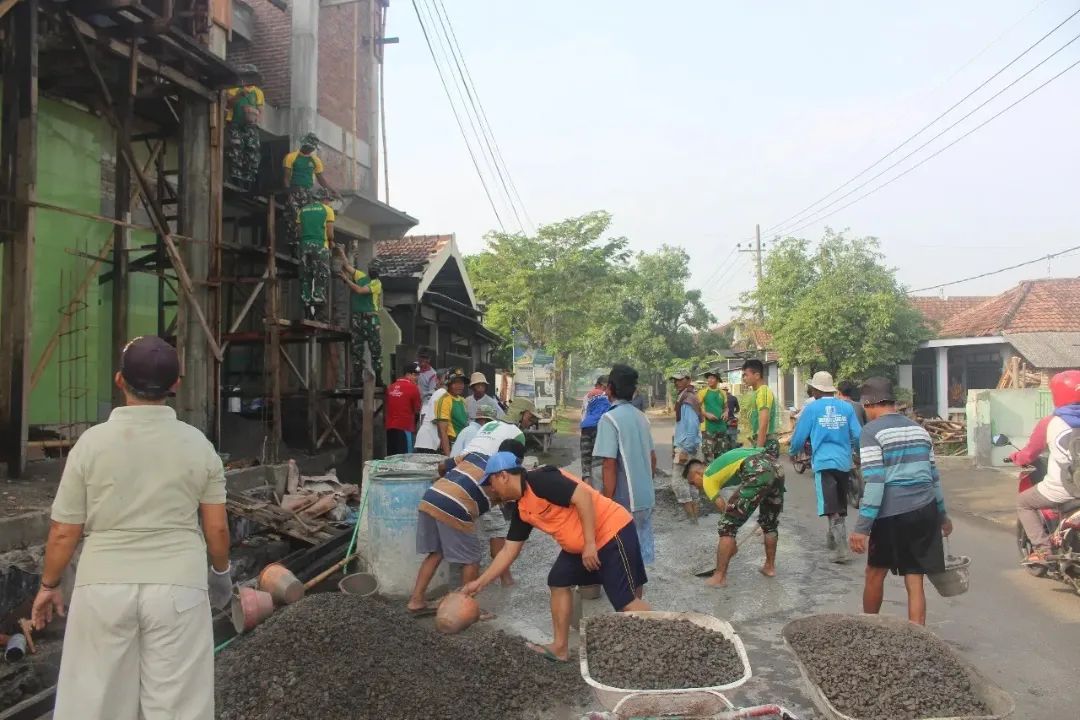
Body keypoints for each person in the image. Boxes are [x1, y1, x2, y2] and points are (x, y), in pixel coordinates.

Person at [31, 336, 232, 719]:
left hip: (102, 589)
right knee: (177, 709)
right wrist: (221, 574)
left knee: (95, 705)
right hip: (178, 589)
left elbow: (62, 531)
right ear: (175, 385)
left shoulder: (91, 445)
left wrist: (49, 585)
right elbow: (217, 530)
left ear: (119, 380)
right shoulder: (198, 445)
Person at [463, 452, 651, 662]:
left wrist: (589, 544)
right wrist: (480, 583)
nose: (491, 490)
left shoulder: (540, 480)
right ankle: (560, 648)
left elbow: (583, 497)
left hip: (611, 532)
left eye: (491, 483)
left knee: (625, 601)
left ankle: (666, 641)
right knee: (558, 579)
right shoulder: (522, 508)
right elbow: (509, 551)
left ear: (503, 476)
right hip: (582, 545)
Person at [849, 377, 951, 626]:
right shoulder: (919, 430)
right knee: (915, 579)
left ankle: (869, 629)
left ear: (869, 403)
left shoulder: (871, 432)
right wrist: (942, 515)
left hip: (892, 515)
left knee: (875, 573)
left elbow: (875, 483)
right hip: (925, 509)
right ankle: (918, 639)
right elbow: (934, 478)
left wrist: (862, 528)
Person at [407, 424, 528, 616]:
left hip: (431, 496)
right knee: (472, 560)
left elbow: (442, 466)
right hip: (456, 506)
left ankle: (416, 600)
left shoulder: (475, 456)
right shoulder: (507, 476)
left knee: (436, 553)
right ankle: (464, 609)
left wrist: (451, 482)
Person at [789, 371, 861, 562]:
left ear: (816, 390)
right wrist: (858, 452)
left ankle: (841, 547)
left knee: (830, 505)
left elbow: (799, 435)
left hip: (823, 462)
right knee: (839, 502)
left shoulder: (812, 409)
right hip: (844, 463)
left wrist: (793, 451)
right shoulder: (846, 408)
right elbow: (857, 434)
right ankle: (833, 536)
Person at [593, 364, 657, 565]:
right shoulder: (642, 417)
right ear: (633, 391)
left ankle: (626, 596)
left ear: (609, 389)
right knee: (639, 558)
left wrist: (606, 501)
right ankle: (637, 595)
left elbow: (609, 464)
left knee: (622, 558)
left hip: (623, 499)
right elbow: (652, 458)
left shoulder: (609, 419)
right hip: (646, 497)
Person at [1016, 370, 1080, 563]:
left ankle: (1043, 549)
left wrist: (1016, 456)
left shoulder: (1051, 422)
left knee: (1023, 502)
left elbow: (1029, 454)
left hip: (1064, 488)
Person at [337, 248, 383, 384]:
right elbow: (347, 266)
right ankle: (357, 378)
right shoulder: (361, 276)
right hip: (358, 317)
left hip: (370, 318)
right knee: (356, 348)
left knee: (375, 348)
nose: (374, 270)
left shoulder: (376, 283)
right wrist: (341, 252)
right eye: (373, 267)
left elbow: (359, 290)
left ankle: (379, 378)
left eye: (376, 268)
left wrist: (346, 280)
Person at [283, 133, 337, 245]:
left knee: (306, 218)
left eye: (313, 148)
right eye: (311, 147)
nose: (312, 149)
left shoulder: (315, 161)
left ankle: (304, 242)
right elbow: (286, 177)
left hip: (307, 193)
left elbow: (321, 179)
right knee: (293, 218)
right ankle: (293, 244)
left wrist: (333, 191)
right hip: (294, 191)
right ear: (305, 145)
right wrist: (289, 193)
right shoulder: (291, 157)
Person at [670, 369, 703, 522]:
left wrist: (685, 450)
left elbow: (692, 426)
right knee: (693, 483)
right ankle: (694, 520)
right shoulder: (688, 397)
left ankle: (691, 519)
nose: (676, 382)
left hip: (687, 447)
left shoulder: (688, 399)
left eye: (680, 379)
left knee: (678, 483)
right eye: (675, 380)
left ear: (688, 380)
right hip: (692, 446)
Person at [296, 189, 335, 319]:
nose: (329, 203)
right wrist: (331, 242)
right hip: (320, 246)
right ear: (324, 199)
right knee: (321, 274)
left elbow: (299, 231)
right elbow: (330, 233)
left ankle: (306, 301)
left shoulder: (302, 210)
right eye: (329, 200)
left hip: (304, 246)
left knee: (306, 275)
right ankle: (318, 301)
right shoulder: (327, 210)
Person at [225, 66, 263, 189]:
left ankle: (249, 179)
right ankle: (236, 177)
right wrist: (240, 95)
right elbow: (228, 103)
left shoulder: (258, 92)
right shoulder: (233, 88)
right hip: (235, 123)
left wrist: (254, 114)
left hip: (250, 126)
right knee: (236, 149)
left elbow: (260, 109)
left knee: (252, 149)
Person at [579, 375, 611, 488]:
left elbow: (584, 414)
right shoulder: (607, 396)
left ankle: (586, 487)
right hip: (600, 427)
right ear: (602, 386)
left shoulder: (587, 395)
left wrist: (583, 430)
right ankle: (598, 491)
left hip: (586, 428)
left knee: (586, 459)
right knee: (597, 460)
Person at [742, 359, 779, 457]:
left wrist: (758, 450)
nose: (744, 378)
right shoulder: (756, 392)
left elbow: (763, 423)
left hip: (766, 443)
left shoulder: (763, 392)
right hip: (759, 442)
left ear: (757, 375)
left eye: (746, 375)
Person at [385, 362, 422, 456]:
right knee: (405, 459)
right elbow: (417, 409)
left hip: (390, 428)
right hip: (404, 428)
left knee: (391, 457)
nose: (417, 378)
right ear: (408, 374)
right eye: (415, 375)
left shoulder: (391, 387)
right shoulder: (413, 388)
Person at [414, 368, 452, 454]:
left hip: (426, 441)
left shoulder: (440, 393)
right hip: (429, 442)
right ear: (437, 380)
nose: (448, 381)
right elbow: (437, 420)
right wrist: (443, 439)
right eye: (446, 378)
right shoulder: (442, 393)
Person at [698, 371, 732, 463]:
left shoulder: (722, 393)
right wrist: (706, 414)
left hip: (721, 427)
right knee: (708, 455)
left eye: (712, 378)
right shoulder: (702, 392)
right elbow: (696, 407)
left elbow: (726, 407)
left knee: (720, 455)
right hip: (708, 428)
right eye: (708, 378)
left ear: (717, 380)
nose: (709, 380)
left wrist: (726, 412)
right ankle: (708, 476)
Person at [434, 369, 469, 455]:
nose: (460, 386)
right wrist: (448, 457)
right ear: (448, 384)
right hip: (451, 444)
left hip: (463, 443)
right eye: (456, 382)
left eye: (461, 383)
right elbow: (442, 432)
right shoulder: (444, 400)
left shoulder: (463, 400)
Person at [721, 382, 741, 448]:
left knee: (722, 439)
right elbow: (738, 409)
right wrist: (733, 412)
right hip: (732, 419)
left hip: (721, 420)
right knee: (733, 438)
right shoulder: (733, 398)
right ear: (727, 390)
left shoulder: (719, 398)